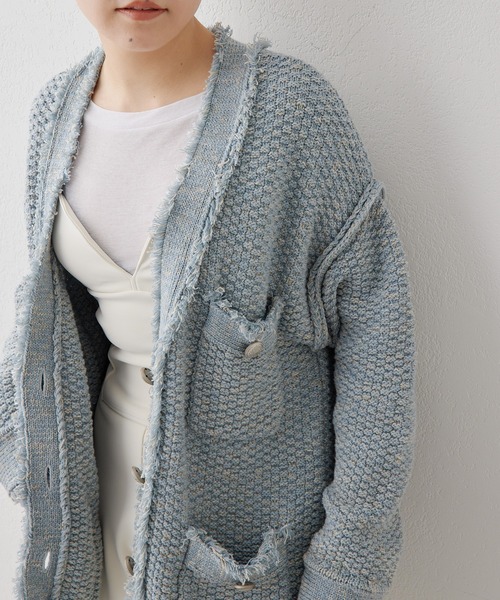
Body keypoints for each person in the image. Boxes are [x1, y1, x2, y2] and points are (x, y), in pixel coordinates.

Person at [0, 1, 417, 599]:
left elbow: (379, 339)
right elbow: (53, 325)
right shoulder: (54, 114)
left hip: (240, 539)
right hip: (100, 509)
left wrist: (348, 560)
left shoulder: (293, 111)